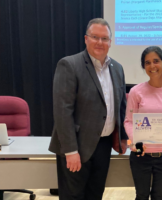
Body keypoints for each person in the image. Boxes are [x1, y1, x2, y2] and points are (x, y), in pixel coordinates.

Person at [49, 18, 128, 200]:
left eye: (105, 38)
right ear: (86, 39)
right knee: (73, 196)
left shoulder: (118, 68)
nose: (100, 42)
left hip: (103, 145)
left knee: (95, 194)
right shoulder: (69, 65)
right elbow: (63, 112)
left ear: (110, 42)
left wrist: (122, 137)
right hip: (76, 146)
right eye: (95, 37)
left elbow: (121, 107)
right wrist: (70, 151)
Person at [124, 46, 162, 200]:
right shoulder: (136, 92)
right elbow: (128, 122)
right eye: (147, 62)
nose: (152, 66)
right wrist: (136, 143)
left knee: (159, 196)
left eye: (156, 61)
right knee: (141, 196)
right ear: (144, 67)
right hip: (140, 154)